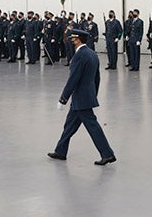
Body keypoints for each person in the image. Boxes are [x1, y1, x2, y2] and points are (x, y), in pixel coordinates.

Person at [48, 29, 116, 165]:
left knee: (92, 126)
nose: (71, 41)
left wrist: (63, 98)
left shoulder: (79, 56)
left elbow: (73, 79)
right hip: (85, 97)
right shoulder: (92, 54)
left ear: (78, 40)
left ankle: (107, 154)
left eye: (72, 39)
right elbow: (97, 78)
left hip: (81, 98)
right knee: (69, 126)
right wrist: (93, 95)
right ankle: (61, 151)